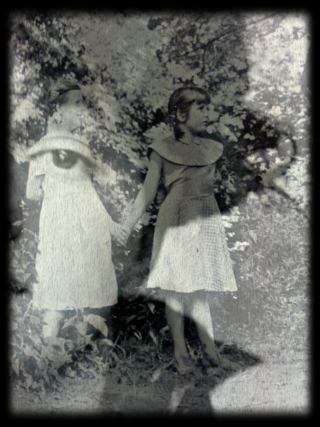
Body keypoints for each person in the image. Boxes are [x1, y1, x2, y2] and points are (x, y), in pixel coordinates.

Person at [122, 87, 238, 374]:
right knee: (174, 289)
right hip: (175, 219)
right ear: (180, 114)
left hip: (204, 219)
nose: (208, 114)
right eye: (201, 108)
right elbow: (148, 192)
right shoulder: (162, 148)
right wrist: (125, 226)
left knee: (199, 289)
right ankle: (181, 355)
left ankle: (211, 353)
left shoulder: (209, 148)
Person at [26, 81, 126, 352]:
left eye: (84, 104)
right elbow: (31, 192)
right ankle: (48, 354)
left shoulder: (80, 144)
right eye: (77, 104)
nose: (83, 110)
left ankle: (76, 352)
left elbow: (89, 192)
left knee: (87, 284)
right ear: (59, 108)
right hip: (58, 225)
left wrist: (111, 225)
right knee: (55, 285)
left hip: (83, 224)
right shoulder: (44, 146)